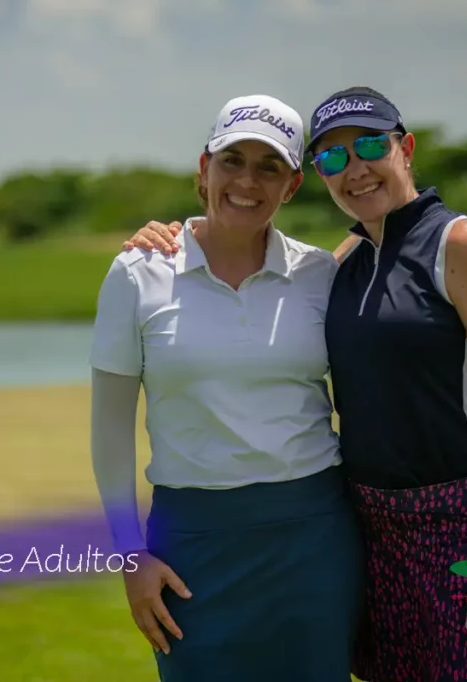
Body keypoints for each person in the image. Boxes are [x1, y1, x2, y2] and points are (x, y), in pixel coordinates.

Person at [120, 86, 467, 682]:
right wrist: (171, 235)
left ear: (405, 148)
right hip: (368, 529)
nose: (355, 168)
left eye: (369, 146)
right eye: (333, 157)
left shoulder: (460, 243)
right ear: (317, 174)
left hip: (461, 528)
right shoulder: (342, 262)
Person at [88, 94, 365, 682]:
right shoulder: (137, 273)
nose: (246, 181)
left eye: (269, 167)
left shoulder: (320, 274)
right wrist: (129, 555)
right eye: (231, 160)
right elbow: (110, 430)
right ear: (204, 168)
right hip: (192, 543)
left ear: (292, 186)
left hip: (315, 536)